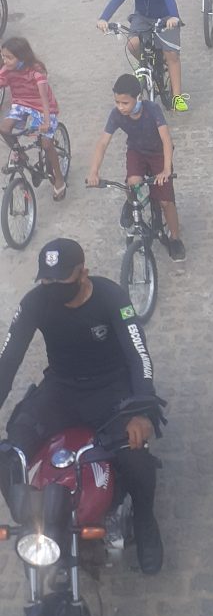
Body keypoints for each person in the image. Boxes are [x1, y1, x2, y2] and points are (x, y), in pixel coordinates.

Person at [0, 238, 165, 574]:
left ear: (82, 273)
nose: (52, 287)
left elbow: (139, 355)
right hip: (61, 388)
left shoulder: (111, 297)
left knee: (135, 456)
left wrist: (142, 411)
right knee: (10, 450)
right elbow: (8, 359)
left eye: (61, 280)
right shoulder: (36, 302)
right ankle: (36, 522)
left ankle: (145, 520)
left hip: (111, 391)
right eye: (46, 280)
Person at [87, 73, 185, 260]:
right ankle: (131, 202)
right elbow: (102, 143)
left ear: (138, 98)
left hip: (158, 154)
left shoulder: (153, 110)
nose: (120, 107)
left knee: (166, 201)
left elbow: (166, 139)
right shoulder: (116, 115)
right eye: (117, 102)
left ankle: (175, 238)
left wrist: (166, 169)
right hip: (137, 152)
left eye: (125, 103)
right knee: (133, 183)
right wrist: (94, 171)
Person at [97, 0, 188, 111]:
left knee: (171, 55)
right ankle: (143, 64)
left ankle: (177, 97)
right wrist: (104, 18)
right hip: (142, 17)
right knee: (132, 44)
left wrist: (174, 17)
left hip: (165, 17)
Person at [0, 37, 66, 200]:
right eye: (3, 56)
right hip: (21, 103)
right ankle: (20, 153)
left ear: (21, 57)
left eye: (9, 57)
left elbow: (44, 98)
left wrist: (46, 121)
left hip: (42, 106)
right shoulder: (6, 70)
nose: (5, 61)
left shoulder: (36, 71)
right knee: (4, 128)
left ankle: (59, 178)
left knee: (46, 144)